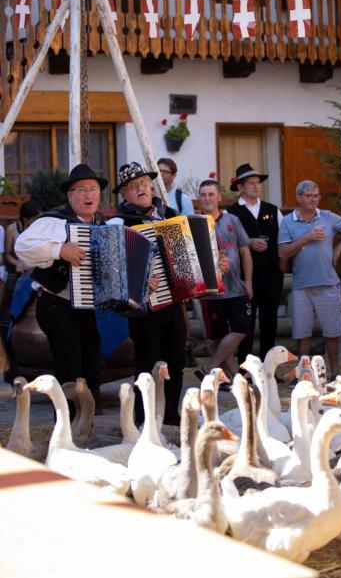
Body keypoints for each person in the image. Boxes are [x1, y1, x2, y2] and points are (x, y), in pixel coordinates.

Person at [14, 164, 108, 412]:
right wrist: (59, 250)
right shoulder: (54, 221)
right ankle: (66, 432)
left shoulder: (103, 225)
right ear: (70, 195)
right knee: (69, 368)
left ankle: (86, 426)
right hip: (56, 303)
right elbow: (22, 247)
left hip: (85, 305)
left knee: (91, 366)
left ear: (99, 195)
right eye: (82, 190)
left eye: (93, 189)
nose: (88, 195)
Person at [108, 161, 186, 426]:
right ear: (124, 194)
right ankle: (144, 420)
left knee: (176, 360)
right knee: (147, 363)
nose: (141, 189)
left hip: (174, 302)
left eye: (144, 183)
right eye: (133, 186)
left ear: (152, 186)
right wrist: (139, 282)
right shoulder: (119, 223)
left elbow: (186, 255)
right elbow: (112, 266)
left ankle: (172, 417)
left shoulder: (168, 214)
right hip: (143, 308)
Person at [278, 179, 341, 380]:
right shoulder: (288, 221)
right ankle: (304, 374)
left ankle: (335, 374)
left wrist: (339, 248)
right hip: (301, 285)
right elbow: (282, 253)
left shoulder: (327, 216)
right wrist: (306, 238)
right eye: (309, 195)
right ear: (299, 197)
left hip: (328, 283)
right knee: (302, 333)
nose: (314, 199)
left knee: (332, 332)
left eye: (317, 195)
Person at [227, 163, 284, 362]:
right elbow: (226, 245)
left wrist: (281, 265)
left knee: (270, 323)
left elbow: (284, 240)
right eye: (251, 183)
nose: (256, 186)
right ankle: (245, 368)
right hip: (244, 277)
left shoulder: (273, 210)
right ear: (240, 187)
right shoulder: (230, 213)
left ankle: (269, 367)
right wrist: (248, 243)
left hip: (271, 276)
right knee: (246, 324)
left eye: (258, 182)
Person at [197, 179, 253, 379]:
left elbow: (245, 252)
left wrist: (248, 282)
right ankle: (235, 377)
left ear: (219, 197)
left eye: (211, 194)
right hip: (210, 291)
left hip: (236, 288)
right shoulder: (194, 224)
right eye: (203, 195)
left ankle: (210, 365)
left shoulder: (233, 221)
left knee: (241, 329)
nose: (207, 198)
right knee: (219, 337)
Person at [5, 199, 42, 275]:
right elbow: (7, 255)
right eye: (36, 219)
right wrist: (17, 263)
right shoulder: (12, 229)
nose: (39, 221)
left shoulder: (41, 227)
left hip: (38, 264)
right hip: (22, 266)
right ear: (25, 219)